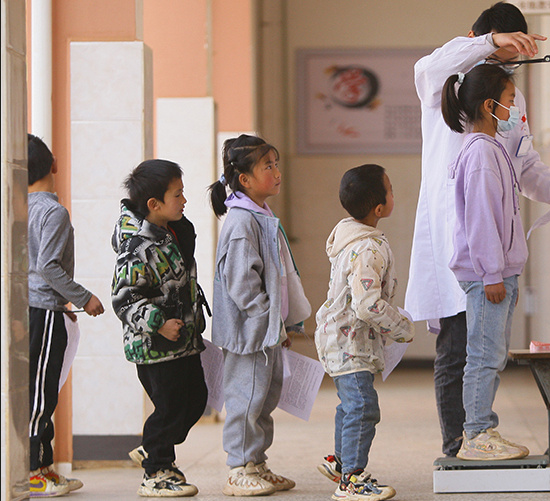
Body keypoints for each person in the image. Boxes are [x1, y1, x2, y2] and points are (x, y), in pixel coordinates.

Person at [406, 1, 550, 458]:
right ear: (477, 38)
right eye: (501, 56)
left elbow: (526, 166)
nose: (507, 73)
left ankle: (477, 434)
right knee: (457, 347)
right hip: (458, 237)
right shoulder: (444, 78)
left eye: (512, 64)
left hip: (494, 244)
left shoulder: (512, 102)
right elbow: (430, 66)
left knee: (486, 350)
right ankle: (459, 443)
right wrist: (488, 44)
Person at [208, 134, 310, 496]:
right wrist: (265, 318)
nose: (277, 172)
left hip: (267, 331)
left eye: (276, 164)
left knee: (264, 399)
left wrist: (279, 323)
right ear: (245, 179)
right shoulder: (241, 222)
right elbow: (242, 284)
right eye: (268, 166)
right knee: (245, 399)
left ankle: (256, 463)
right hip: (249, 333)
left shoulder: (260, 214)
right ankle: (238, 467)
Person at [314, 164, 414, 501]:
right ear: (379, 208)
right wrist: (401, 327)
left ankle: (341, 462)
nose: (392, 194)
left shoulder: (353, 239)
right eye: (390, 188)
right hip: (349, 342)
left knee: (350, 404)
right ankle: (352, 478)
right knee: (363, 407)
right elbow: (367, 305)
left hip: (344, 339)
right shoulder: (367, 249)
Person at [111, 159, 208, 497]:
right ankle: (157, 470)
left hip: (184, 339)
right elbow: (123, 299)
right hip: (154, 344)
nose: (184, 201)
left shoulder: (174, 230)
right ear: (154, 204)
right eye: (178, 195)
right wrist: (158, 323)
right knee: (168, 407)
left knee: (196, 399)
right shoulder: (137, 248)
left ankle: (154, 447)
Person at [27, 134, 105, 498]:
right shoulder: (52, 212)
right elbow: (48, 267)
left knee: (32, 391)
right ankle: (36, 471)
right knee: (42, 395)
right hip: (43, 312)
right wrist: (83, 298)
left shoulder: (16, 207)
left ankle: (38, 467)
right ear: (54, 164)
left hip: (26, 311)